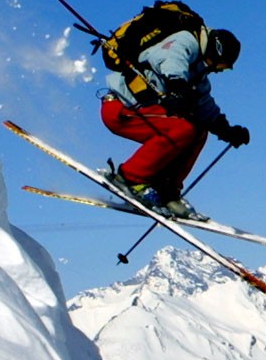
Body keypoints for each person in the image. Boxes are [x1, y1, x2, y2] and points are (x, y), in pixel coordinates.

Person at [101, 16, 250, 219]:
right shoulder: (186, 41)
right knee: (184, 128)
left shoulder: (198, 71)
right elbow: (169, 59)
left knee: (199, 132)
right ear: (216, 51)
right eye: (220, 66)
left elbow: (204, 105)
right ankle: (130, 179)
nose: (217, 70)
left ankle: (167, 191)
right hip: (121, 108)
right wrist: (176, 86)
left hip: (143, 112)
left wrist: (227, 130)